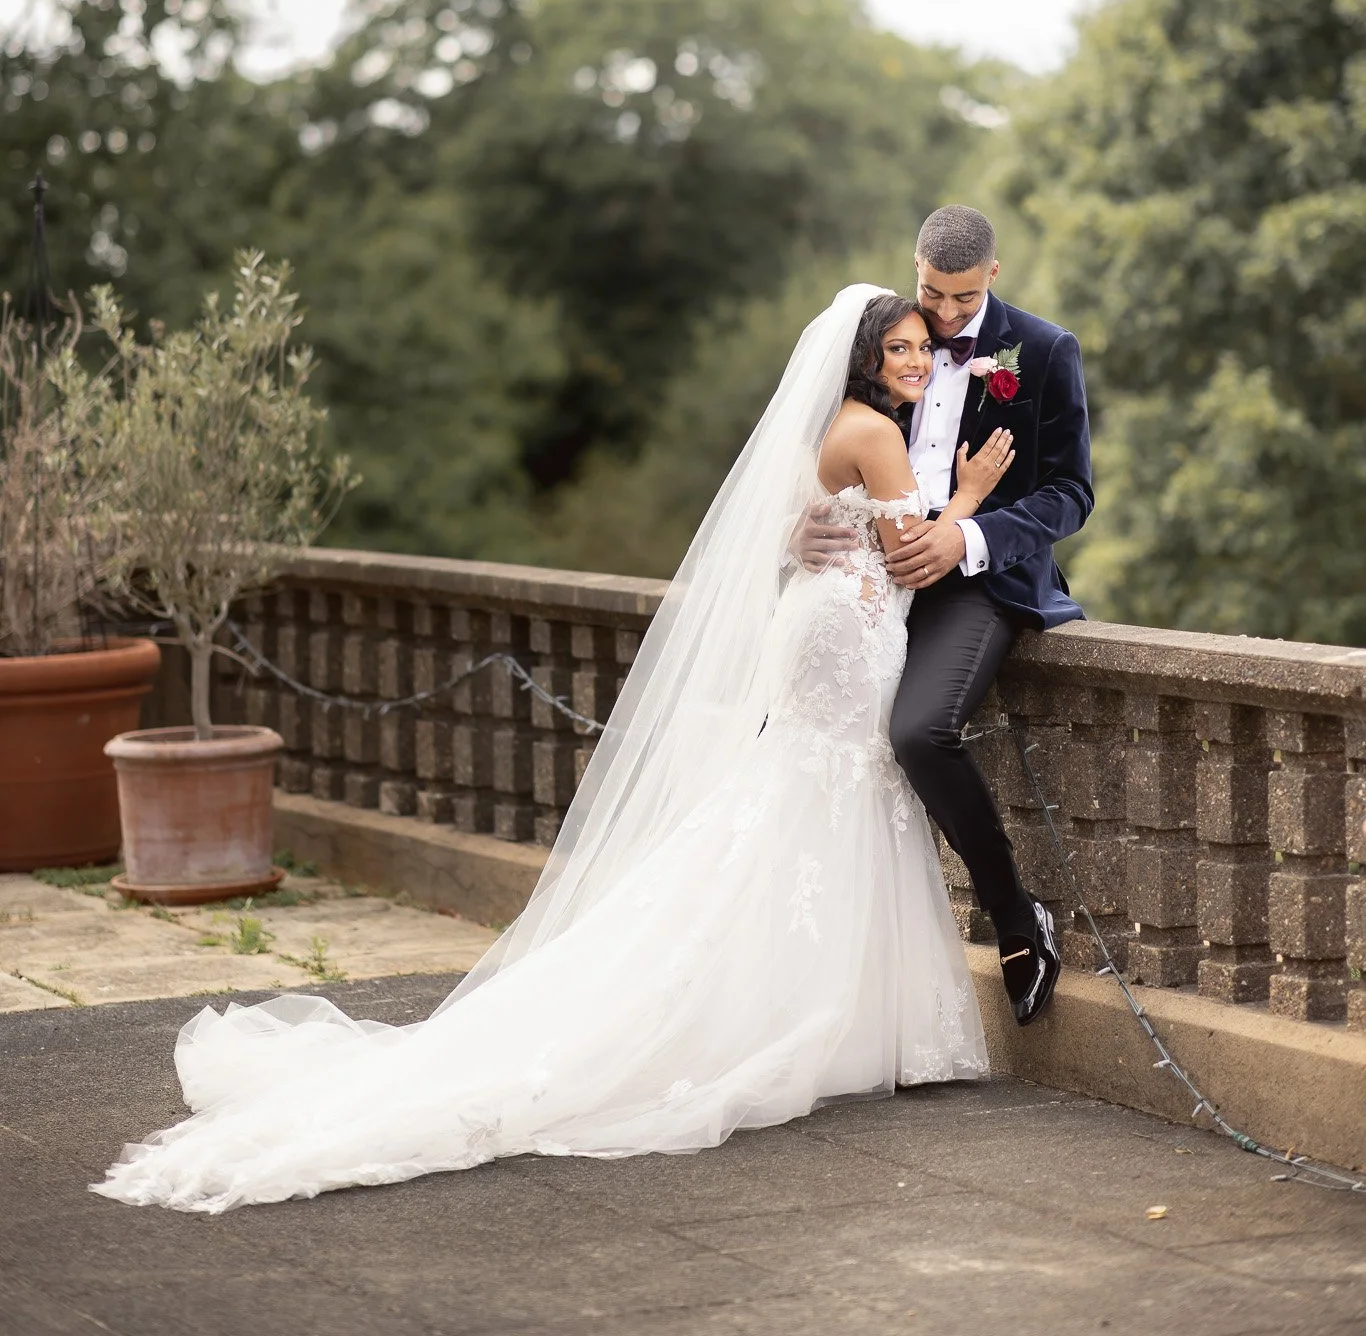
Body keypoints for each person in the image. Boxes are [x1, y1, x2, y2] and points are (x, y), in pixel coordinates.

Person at [94, 287, 1014, 1213]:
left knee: (803, 801)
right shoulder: (880, 433)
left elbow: (791, 525)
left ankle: (818, 1016)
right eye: (897, 347)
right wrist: (971, 495)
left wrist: (813, 531)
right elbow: (908, 556)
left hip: (822, 634)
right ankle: (803, 1020)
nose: (914, 361)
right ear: (863, 358)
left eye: (919, 349)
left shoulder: (828, 425)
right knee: (822, 796)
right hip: (847, 640)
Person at [803, 205, 1093, 1026]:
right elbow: (814, 446)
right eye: (934, 293)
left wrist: (967, 534)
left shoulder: (1042, 351)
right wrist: (801, 519)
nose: (947, 315)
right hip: (870, 579)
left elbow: (1071, 494)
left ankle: (1016, 918)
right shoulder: (884, 334)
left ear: (992, 276)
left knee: (916, 733)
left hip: (973, 579)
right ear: (915, 268)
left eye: (965, 300)